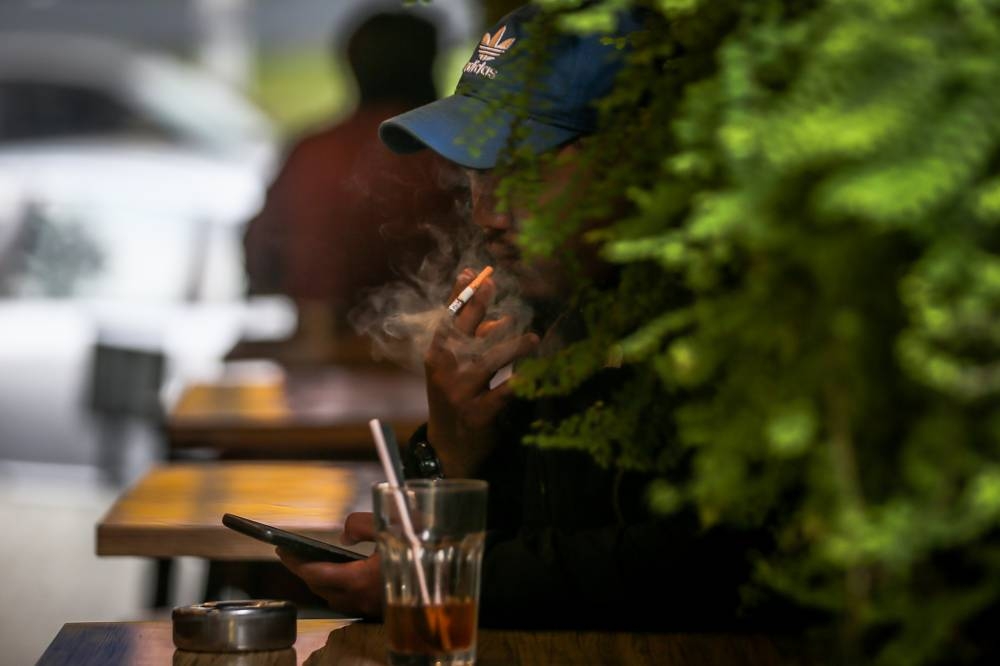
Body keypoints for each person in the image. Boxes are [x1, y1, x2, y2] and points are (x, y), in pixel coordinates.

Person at [277, 4, 776, 631]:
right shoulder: (556, 310)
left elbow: (708, 563)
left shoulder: (740, 318)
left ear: (638, 154)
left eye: (525, 169)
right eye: (477, 172)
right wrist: (452, 450)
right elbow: (540, 532)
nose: (486, 213)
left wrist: (447, 580)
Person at [239, 10, 465, 364]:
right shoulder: (450, 155)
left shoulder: (312, 152)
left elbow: (260, 260)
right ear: (430, 65)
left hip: (314, 356)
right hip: (428, 359)